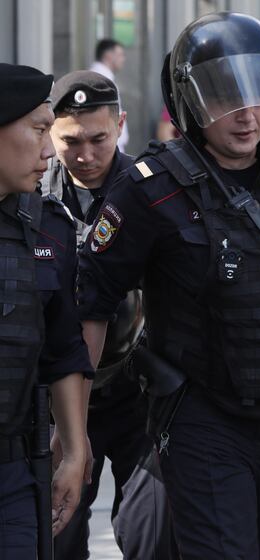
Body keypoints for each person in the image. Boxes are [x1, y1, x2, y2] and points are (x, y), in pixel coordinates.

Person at [76, 12, 260, 560]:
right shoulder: (149, 190)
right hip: (204, 419)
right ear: (191, 103)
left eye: (257, 94)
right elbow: (92, 302)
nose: (246, 114)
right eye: (226, 96)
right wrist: (73, 427)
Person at [43, 70, 176, 560]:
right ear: (49, 133)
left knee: (152, 535)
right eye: (70, 141)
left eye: (98, 139)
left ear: (119, 125)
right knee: (55, 536)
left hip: (135, 391)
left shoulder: (151, 193)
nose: (86, 155)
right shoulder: (31, 195)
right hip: (54, 398)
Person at [0, 62, 91, 556]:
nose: (49, 151)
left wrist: (74, 451)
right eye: (38, 130)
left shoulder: (49, 227)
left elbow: (63, 348)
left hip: (12, 473)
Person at [90, 38, 129, 152]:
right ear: (108, 55)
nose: (123, 59)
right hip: (108, 147)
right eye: (120, 55)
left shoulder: (102, 77)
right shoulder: (100, 79)